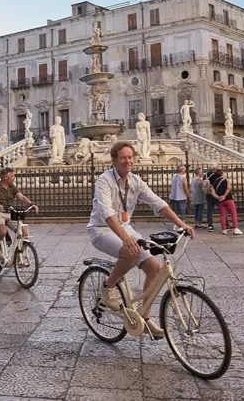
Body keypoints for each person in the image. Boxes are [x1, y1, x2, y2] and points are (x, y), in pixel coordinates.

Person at [89, 141, 194, 339]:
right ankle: (108, 286)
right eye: (123, 158)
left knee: (154, 267)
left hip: (125, 228)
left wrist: (181, 224)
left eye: (130, 157)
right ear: (114, 160)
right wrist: (125, 238)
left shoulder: (135, 181)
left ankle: (145, 317)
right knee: (132, 251)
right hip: (101, 229)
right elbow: (106, 213)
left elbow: (158, 203)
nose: (127, 161)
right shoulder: (104, 180)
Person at [0, 167, 38, 262]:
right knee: (2, 231)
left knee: (24, 232)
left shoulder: (12, 186)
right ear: (5, 177)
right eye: (12, 176)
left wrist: (32, 204)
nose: (14, 177)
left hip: (10, 213)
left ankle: (18, 255)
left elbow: (22, 197)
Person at [211, 169, 242, 235]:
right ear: (222, 174)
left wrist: (219, 197)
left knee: (223, 215)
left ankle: (224, 230)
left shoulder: (214, 183)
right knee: (233, 213)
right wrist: (224, 196)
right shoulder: (226, 180)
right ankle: (235, 228)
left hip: (220, 201)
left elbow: (213, 193)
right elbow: (228, 188)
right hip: (228, 199)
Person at [203, 164, 219, 232]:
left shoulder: (205, 175)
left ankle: (210, 225)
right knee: (221, 209)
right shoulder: (214, 175)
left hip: (208, 193)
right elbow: (216, 184)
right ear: (214, 168)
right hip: (214, 193)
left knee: (209, 211)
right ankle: (226, 223)